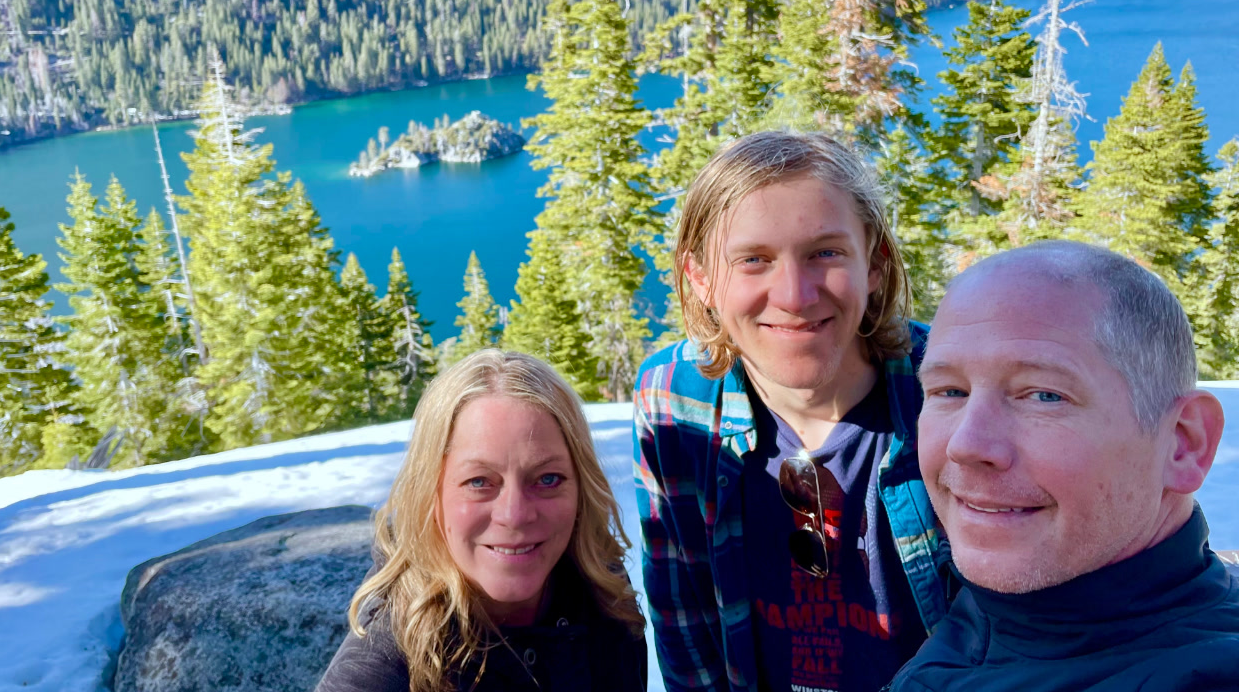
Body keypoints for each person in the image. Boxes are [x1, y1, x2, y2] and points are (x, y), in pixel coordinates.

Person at [633, 131, 951, 692]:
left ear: (874, 263)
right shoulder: (673, 400)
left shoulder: (949, 392)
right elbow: (685, 623)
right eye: (754, 260)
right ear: (702, 278)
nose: (795, 296)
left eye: (824, 253)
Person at [889, 240, 1239, 691]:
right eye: (949, 391)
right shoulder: (1009, 609)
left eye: (1044, 395)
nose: (966, 444)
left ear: (1183, 444)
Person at [317, 349, 647, 692]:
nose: (515, 515)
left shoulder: (601, 587)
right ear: (431, 492)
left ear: (581, 486)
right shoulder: (384, 665)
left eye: (548, 479)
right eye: (479, 482)